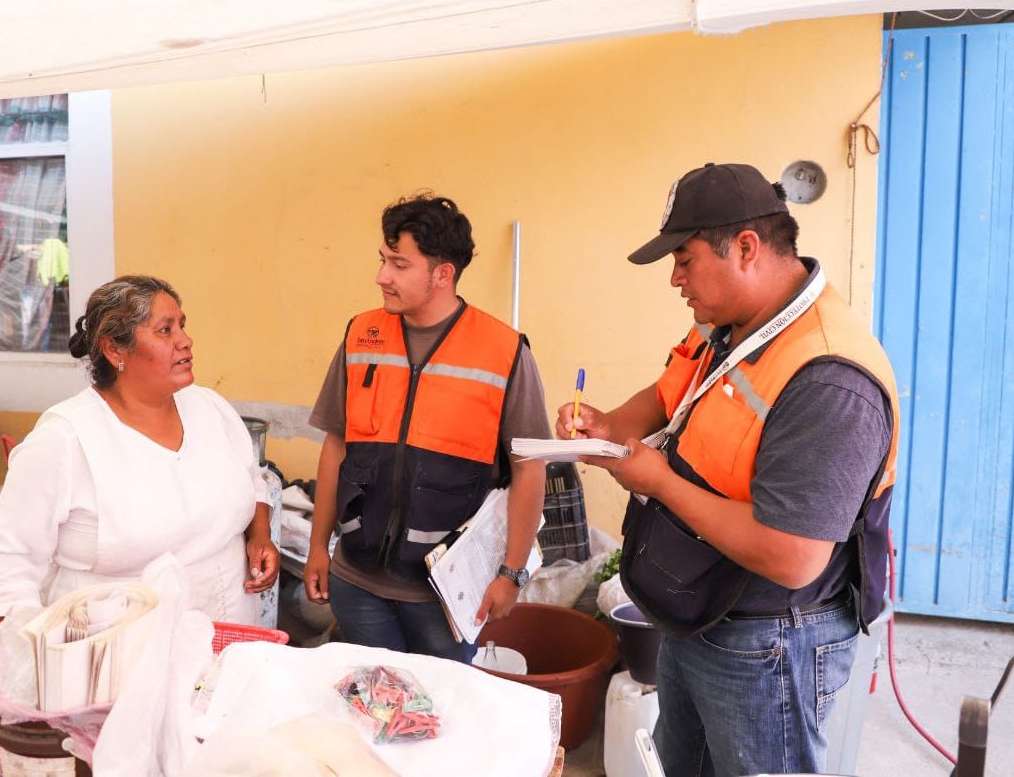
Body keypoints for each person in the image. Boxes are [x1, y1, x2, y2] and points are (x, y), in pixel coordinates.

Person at [557, 163, 898, 775]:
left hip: (770, 642)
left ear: (745, 248)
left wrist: (659, 482)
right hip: (701, 610)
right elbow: (669, 394)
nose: (675, 279)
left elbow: (792, 555)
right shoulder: (731, 321)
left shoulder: (827, 377)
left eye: (684, 259)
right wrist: (610, 427)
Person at [303, 193, 549, 662]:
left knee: (439, 705)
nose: (382, 276)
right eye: (383, 260)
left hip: (445, 596)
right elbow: (337, 445)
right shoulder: (361, 334)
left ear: (442, 274)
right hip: (357, 584)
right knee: (374, 702)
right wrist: (318, 546)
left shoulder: (504, 350)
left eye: (399, 264)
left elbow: (529, 469)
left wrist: (512, 573)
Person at [0, 275, 278, 627]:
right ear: (114, 349)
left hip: (230, 631)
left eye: (182, 325)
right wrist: (35, 647)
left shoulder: (210, 408)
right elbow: (4, 562)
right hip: (118, 645)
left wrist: (260, 536)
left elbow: (252, 480)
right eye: (165, 330)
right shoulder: (65, 439)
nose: (186, 341)